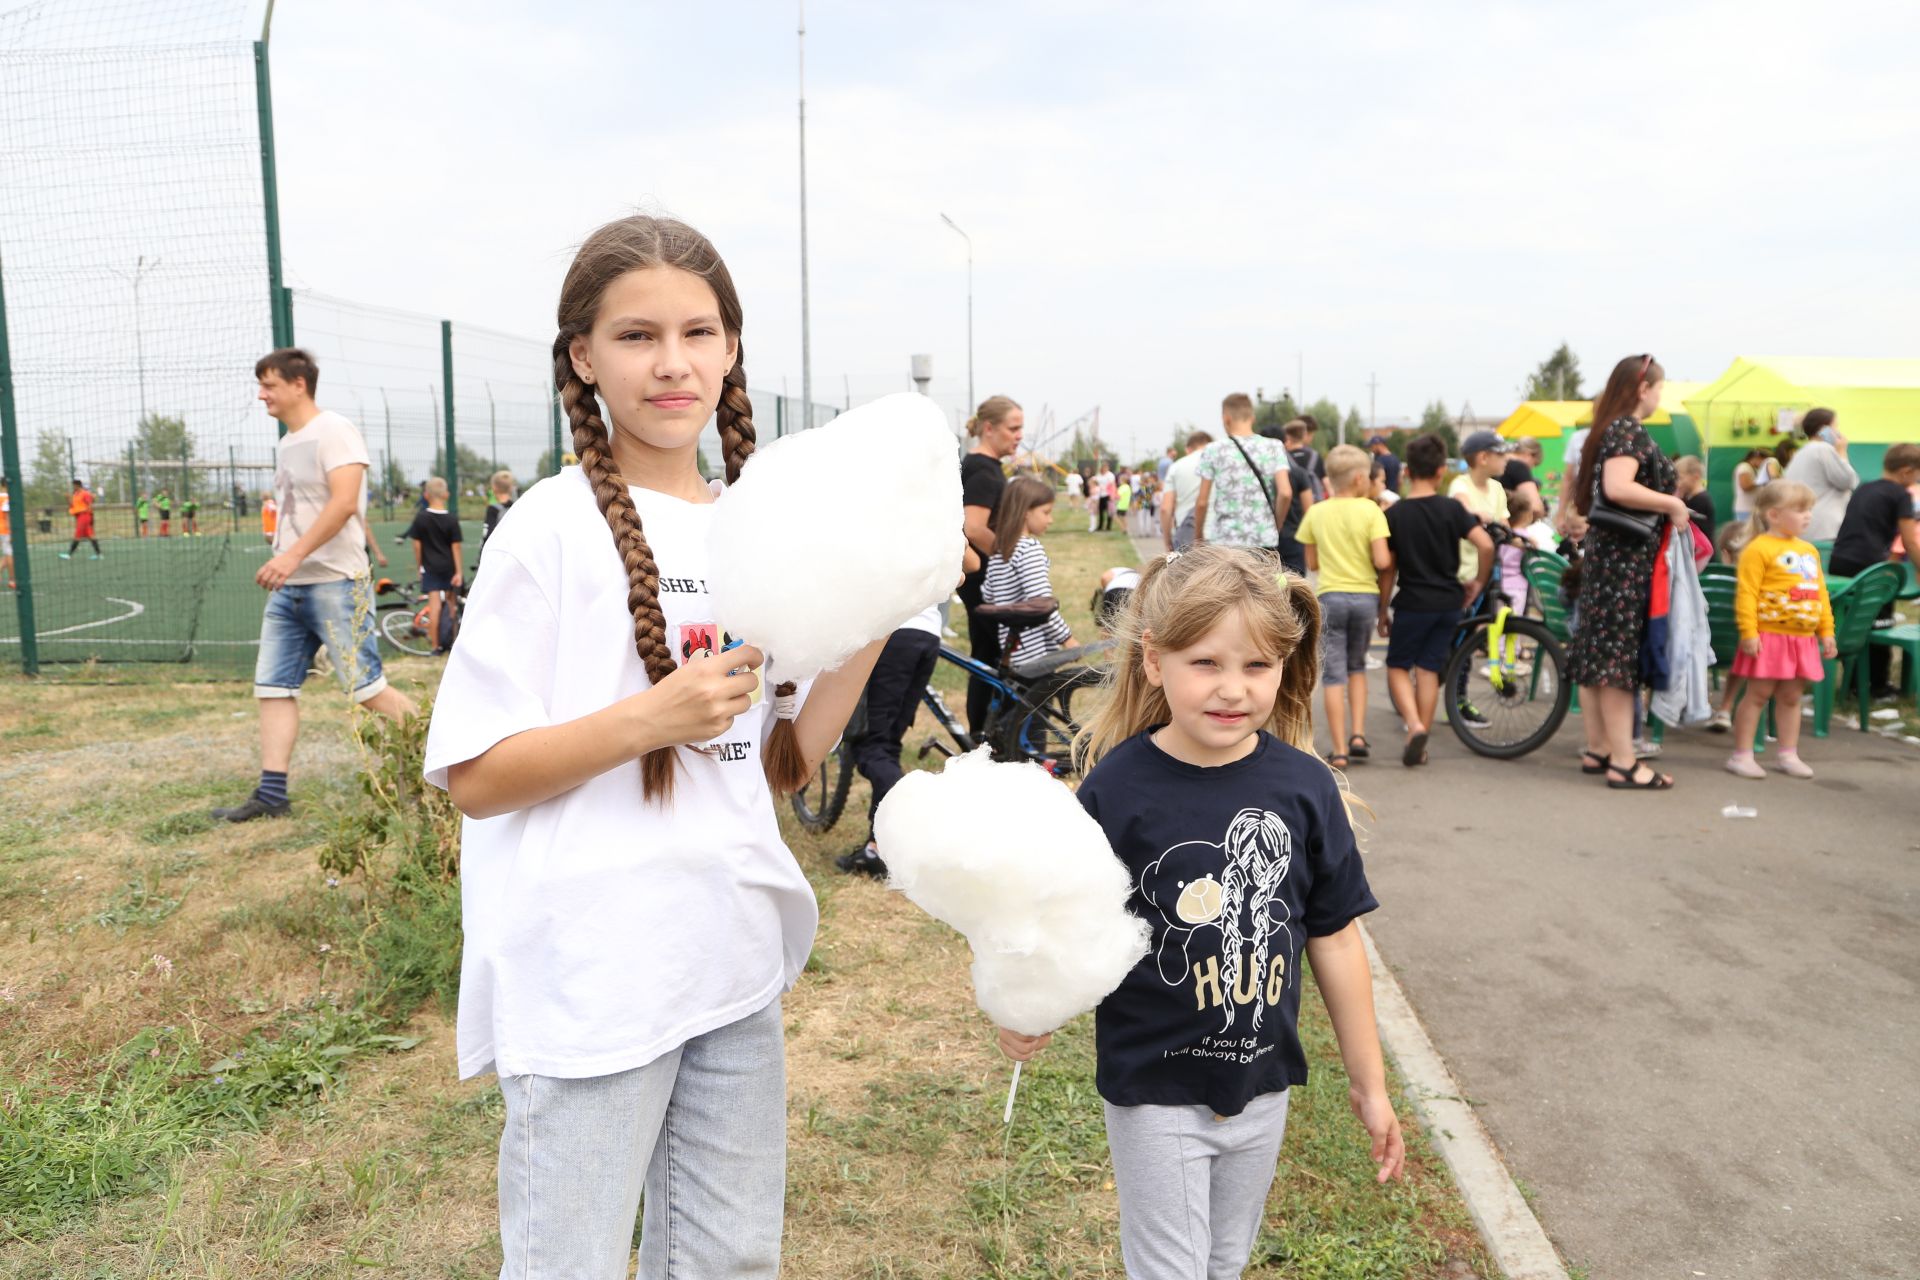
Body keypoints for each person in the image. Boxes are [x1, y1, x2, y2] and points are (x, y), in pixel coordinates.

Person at [424, 215, 882, 1280]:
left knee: (731, 1261)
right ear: (584, 358)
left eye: (698, 331)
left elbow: (776, 763)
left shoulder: (750, 532)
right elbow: (479, 778)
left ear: (730, 350)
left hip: (726, 965)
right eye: (636, 336)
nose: (672, 362)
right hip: (592, 977)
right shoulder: (548, 526)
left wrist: (879, 612)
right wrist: (653, 717)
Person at [997, 546, 1404, 1279]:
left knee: (1224, 1263)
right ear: (1155, 660)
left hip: (1261, 1087)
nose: (1233, 690)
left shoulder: (1306, 786)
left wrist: (1369, 1084)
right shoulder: (1117, 788)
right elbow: (1071, 920)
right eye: (1206, 664)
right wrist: (1032, 1004)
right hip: (1155, 1089)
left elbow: (1336, 938)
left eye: (1256, 666)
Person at [211, 348, 415, 823]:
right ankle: (272, 794)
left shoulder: (335, 431)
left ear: (299, 384)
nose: (262, 394)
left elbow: (345, 503)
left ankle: (445, 756)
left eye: (269, 385)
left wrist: (291, 555)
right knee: (273, 688)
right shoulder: (288, 442)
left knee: (367, 690)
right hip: (290, 589)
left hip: (335, 584)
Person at [1564, 354, 1690, 791]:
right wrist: (1672, 503)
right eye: (1659, 387)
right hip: (1625, 562)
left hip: (1607, 557)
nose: (1660, 395)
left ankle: (1600, 749)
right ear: (1643, 389)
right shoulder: (1628, 429)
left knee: (1598, 655)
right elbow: (1619, 488)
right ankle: (1624, 760)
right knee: (1616, 662)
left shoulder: (1607, 428)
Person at [1381, 433, 1492, 766]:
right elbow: (1485, 545)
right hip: (1448, 603)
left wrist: (1381, 608)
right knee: (1428, 669)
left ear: (1407, 471)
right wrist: (1478, 582)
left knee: (1398, 666)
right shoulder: (1452, 509)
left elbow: (1389, 569)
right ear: (1441, 471)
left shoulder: (1396, 513)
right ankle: (1422, 742)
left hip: (1413, 601)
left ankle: (1414, 726)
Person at [1726, 481, 1835, 779]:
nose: (1808, 516)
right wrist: (1749, 633)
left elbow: (1820, 593)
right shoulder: (1758, 549)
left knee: (1791, 697)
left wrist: (1826, 631)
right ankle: (1742, 754)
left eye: (1809, 509)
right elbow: (1747, 593)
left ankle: (1788, 753)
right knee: (1758, 695)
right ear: (1774, 514)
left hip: (1802, 639)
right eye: (1800, 510)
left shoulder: (1808, 550)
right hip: (1767, 637)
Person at [1295, 445, 1392, 770]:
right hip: (1365, 598)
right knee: (1357, 668)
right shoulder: (1371, 511)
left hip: (1330, 596)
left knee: (1334, 673)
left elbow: (1311, 561)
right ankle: (1359, 735)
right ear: (1360, 478)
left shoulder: (1316, 512)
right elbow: (1381, 560)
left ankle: (1338, 750)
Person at [837, 600, 945, 879]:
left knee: (872, 748)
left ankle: (905, 835)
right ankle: (879, 849)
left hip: (893, 633)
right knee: (888, 745)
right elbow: (970, 564)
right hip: (927, 632)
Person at [1827, 442, 1920, 697]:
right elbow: (1910, 540)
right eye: (1917, 475)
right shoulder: (1901, 495)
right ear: (1906, 471)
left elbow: (1871, 530)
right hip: (1870, 568)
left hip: (1841, 561)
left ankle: (1853, 682)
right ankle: (1876, 685)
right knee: (1879, 623)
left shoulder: (1865, 487)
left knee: (1851, 623)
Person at [959, 394, 1022, 738]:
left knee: (990, 655)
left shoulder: (988, 465)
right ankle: (983, 734)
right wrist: (1012, 557)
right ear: (989, 428)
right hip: (985, 582)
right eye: (1013, 428)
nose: (1019, 435)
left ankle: (988, 731)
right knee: (987, 658)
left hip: (987, 580)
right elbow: (974, 527)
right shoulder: (982, 469)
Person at [1195, 393, 1304, 571]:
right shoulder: (1274, 446)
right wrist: (1275, 525)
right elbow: (1285, 492)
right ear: (1252, 418)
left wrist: (1198, 537)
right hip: (1263, 539)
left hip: (1225, 539)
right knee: (1261, 592)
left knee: (1226, 593)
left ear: (1226, 418)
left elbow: (1201, 502)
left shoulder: (1213, 450)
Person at [981, 475, 1073, 667]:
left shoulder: (1000, 551)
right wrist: (1067, 639)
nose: (1051, 520)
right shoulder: (1028, 549)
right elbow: (1041, 605)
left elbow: (989, 595)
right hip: (1035, 654)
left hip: (1012, 652)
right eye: (1046, 512)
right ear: (1025, 512)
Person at [406, 477, 464, 656]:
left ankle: (435, 646)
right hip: (449, 567)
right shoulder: (451, 520)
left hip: (430, 567)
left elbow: (417, 545)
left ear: (426, 495)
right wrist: (459, 571)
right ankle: (452, 641)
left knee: (435, 607)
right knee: (451, 606)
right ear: (446, 495)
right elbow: (455, 547)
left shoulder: (421, 518)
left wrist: (420, 565)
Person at [1782, 408, 1858, 541]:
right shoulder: (1823, 449)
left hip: (1805, 525)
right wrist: (1842, 453)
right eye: (1835, 426)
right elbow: (1849, 481)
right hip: (1825, 528)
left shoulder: (1802, 452)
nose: (1838, 432)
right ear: (1825, 429)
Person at [1448, 431, 1511, 588]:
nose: (1506, 459)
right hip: (1463, 573)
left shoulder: (1497, 488)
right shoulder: (1460, 483)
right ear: (1483, 458)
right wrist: (1474, 514)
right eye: (1501, 454)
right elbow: (1462, 504)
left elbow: (1505, 525)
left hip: (1490, 570)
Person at [1159, 429, 1212, 552]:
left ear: (1188, 449)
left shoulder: (1177, 467)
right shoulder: (1221, 464)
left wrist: (1167, 541)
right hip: (1220, 538)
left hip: (1187, 537)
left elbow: (1165, 509)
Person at [1732, 446, 1781, 522]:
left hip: (1753, 509)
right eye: (1764, 461)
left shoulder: (1754, 469)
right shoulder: (1744, 467)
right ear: (1756, 457)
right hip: (1746, 510)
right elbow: (1745, 486)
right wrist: (1762, 480)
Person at [1282, 418, 1327, 500]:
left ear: (1287, 436)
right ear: (1304, 434)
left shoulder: (1282, 457)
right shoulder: (1315, 456)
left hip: (1294, 507)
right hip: (1314, 506)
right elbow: (1326, 482)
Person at [1500, 437, 1545, 513]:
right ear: (1529, 454)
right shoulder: (1519, 467)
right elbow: (1536, 508)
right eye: (1534, 463)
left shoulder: (1497, 463)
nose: (1531, 468)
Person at [61, 479, 102, 560]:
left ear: (77, 485)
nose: (73, 487)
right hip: (79, 516)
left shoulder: (85, 493)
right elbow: (72, 505)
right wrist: (68, 498)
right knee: (91, 536)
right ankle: (99, 555)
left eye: (73, 485)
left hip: (84, 516)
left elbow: (89, 504)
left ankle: (69, 555)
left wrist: (87, 512)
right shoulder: (75, 494)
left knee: (77, 535)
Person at [1676, 456, 1715, 535]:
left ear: (1695, 477)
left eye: (1681, 478)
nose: (1678, 483)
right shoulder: (1690, 497)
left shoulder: (1701, 500)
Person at [483, 468, 517, 547]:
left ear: (494, 488)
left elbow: (488, 534)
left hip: (498, 551)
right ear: (511, 488)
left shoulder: (493, 509)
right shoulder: (517, 507)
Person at [1, 485, 15, 590]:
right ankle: (12, 580)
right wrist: (11, 532)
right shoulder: (8, 498)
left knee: (8, 554)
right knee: (10, 555)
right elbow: (7, 516)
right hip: (5, 531)